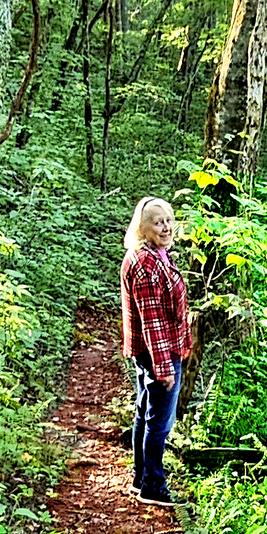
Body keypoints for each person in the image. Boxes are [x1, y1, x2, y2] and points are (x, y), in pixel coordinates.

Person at [119, 196, 192, 507]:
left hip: (152, 350)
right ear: (142, 227)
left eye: (168, 220)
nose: (166, 227)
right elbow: (152, 320)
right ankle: (153, 486)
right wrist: (164, 368)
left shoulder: (157, 255)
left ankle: (141, 478)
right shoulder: (146, 264)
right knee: (160, 422)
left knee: (145, 412)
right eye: (158, 222)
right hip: (158, 352)